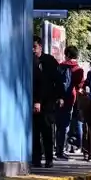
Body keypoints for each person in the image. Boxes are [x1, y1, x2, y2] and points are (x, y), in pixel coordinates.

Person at [32, 37, 65, 168]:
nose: (33, 50)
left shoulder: (49, 61)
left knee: (46, 130)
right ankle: (36, 158)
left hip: (47, 101)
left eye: (35, 47)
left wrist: (60, 96)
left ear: (40, 46)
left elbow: (58, 79)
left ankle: (49, 158)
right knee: (34, 132)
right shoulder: (29, 60)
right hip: (33, 100)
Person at [56, 46, 86, 159]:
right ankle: (62, 150)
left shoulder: (60, 66)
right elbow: (80, 85)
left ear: (67, 54)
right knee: (67, 125)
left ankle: (58, 148)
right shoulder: (78, 69)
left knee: (59, 125)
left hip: (58, 98)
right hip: (70, 98)